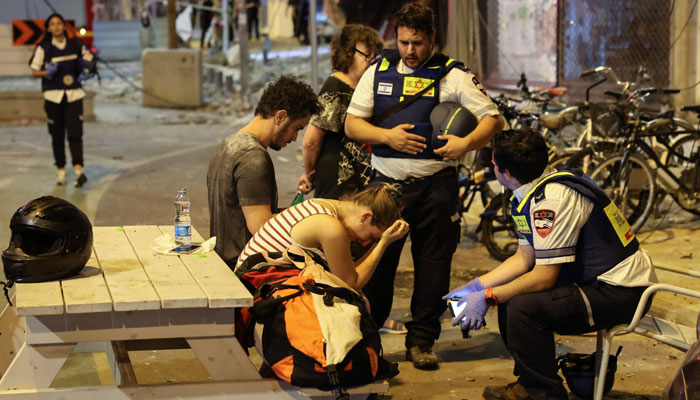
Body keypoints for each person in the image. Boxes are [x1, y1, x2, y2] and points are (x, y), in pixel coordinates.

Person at [344, 2, 502, 370]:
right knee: (377, 267)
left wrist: (466, 144)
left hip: (437, 187)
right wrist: (388, 137)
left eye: (417, 43)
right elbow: (352, 125)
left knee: (433, 269)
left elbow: (492, 120)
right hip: (386, 189)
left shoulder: (454, 76)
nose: (410, 51)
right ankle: (367, 343)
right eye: (403, 42)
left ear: (432, 38)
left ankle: (421, 342)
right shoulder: (377, 70)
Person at [443, 129, 658, 400]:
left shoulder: (551, 202)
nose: (492, 168)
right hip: (598, 283)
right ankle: (530, 383)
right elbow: (524, 259)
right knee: (511, 299)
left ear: (506, 173)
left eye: (494, 165)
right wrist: (473, 286)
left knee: (523, 307)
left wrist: (487, 297)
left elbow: (544, 277)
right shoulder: (528, 192)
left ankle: (544, 393)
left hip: (623, 292)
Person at [207, 76, 320, 269]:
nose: (294, 138)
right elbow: (260, 227)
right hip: (245, 270)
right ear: (281, 116)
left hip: (224, 261)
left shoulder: (229, 143)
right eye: (296, 128)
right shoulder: (253, 158)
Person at [236, 184, 409, 292]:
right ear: (365, 217)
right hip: (253, 287)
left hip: (253, 278)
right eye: (372, 236)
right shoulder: (331, 228)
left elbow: (348, 271)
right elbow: (351, 283)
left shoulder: (323, 204)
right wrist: (383, 244)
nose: (365, 242)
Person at [296, 24, 383, 199]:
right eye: (366, 55)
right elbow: (311, 141)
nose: (371, 61)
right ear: (348, 53)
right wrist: (310, 173)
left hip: (362, 180)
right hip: (336, 180)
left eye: (374, 56)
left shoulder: (363, 88)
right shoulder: (336, 86)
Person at [29, 13, 96, 187]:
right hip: (53, 96)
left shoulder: (75, 45)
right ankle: (61, 171)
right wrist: (45, 73)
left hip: (74, 95)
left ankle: (79, 171)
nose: (56, 26)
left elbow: (90, 59)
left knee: (75, 134)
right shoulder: (44, 48)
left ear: (64, 27)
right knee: (57, 136)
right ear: (48, 28)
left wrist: (87, 69)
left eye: (59, 23)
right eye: (53, 24)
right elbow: (34, 70)